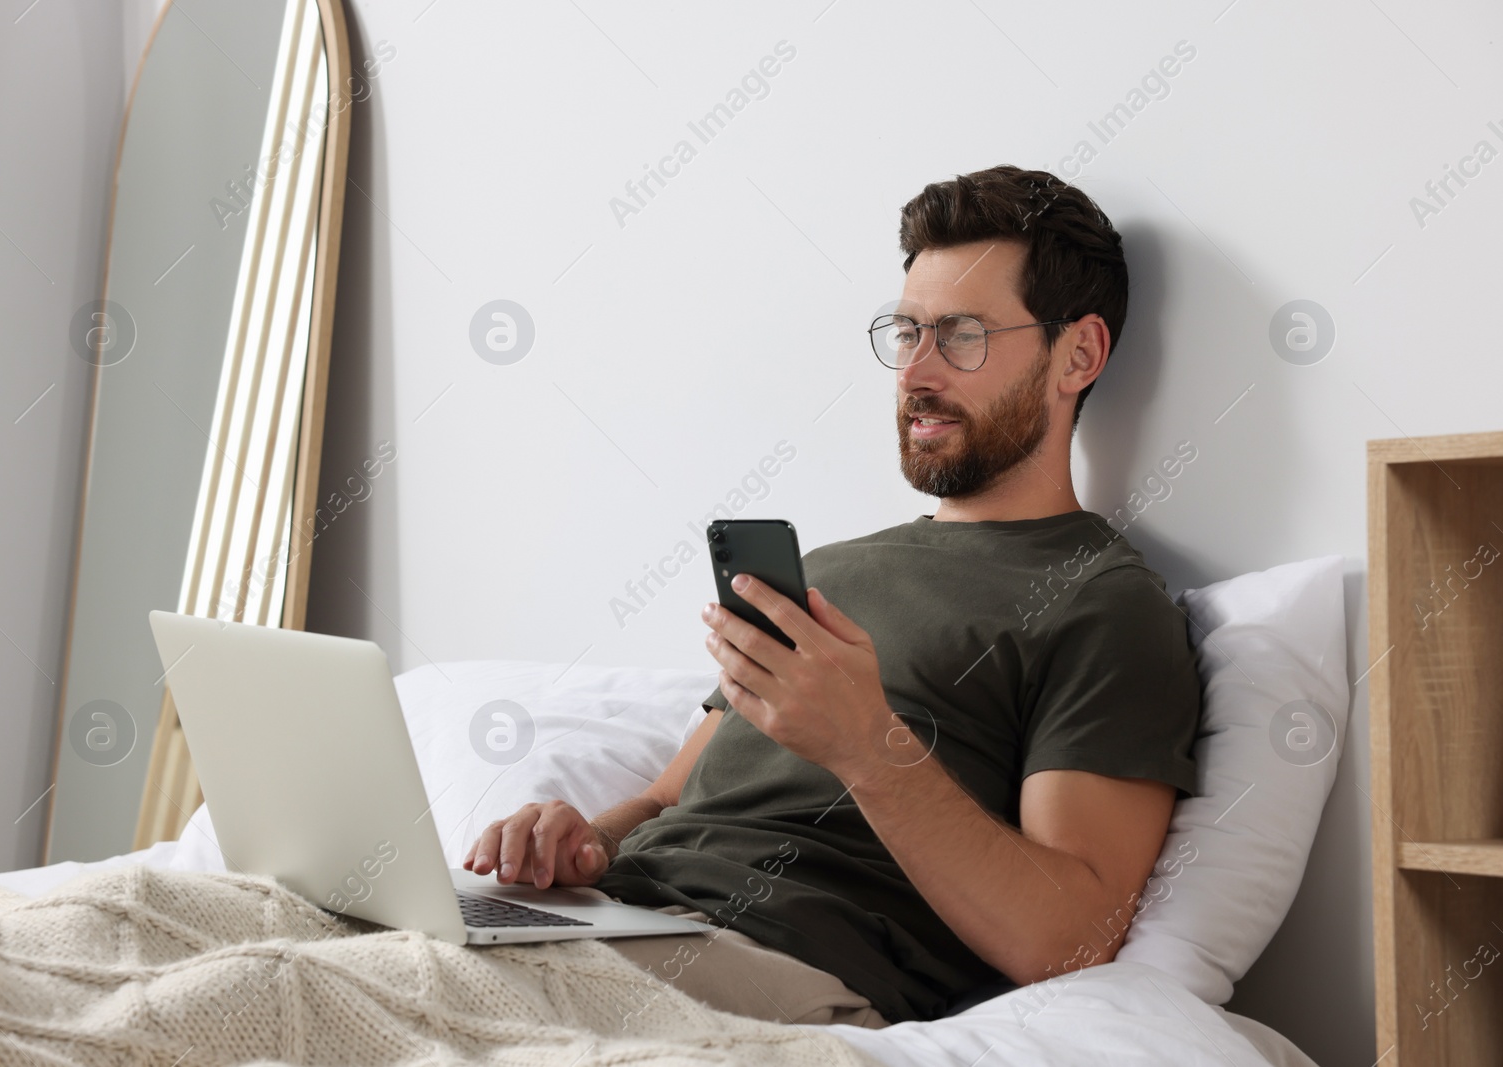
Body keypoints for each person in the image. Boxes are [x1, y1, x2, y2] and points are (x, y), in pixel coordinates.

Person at [464, 165, 1201, 1029]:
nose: (917, 371)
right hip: (605, 918)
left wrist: (866, 743)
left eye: (961, 334)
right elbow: (667, 799)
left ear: (1077, 354)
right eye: (907, 331)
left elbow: (1067, 937)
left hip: (763, 967)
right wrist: (581, 840)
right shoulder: (826, 570)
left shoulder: (1105, 604)